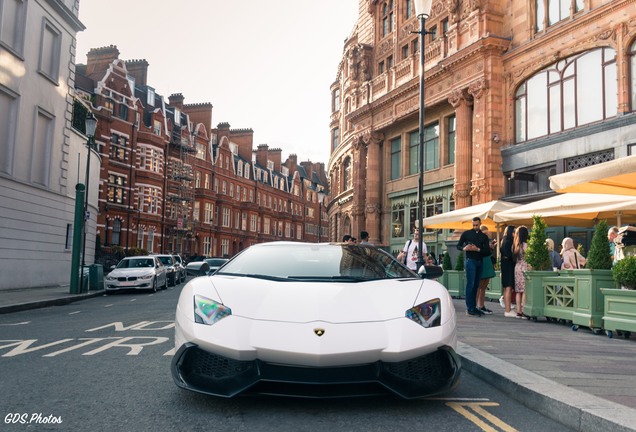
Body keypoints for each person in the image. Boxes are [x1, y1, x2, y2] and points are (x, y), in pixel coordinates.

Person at [456, 217, 491, 316]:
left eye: (477, 225)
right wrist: (464, 248)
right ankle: (470, 308)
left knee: (476, 285)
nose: (475, 226)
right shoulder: (466, 234)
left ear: (480, 224)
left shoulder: (483, 236)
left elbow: (487, 252)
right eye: (473, 225)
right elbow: (458, 245)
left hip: (479, 261)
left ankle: (474, 307)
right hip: (470, 261)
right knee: (470, 284)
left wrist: (478, 249)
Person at [476, 225, 496, 314]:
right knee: (479, 285)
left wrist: (491, 247)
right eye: (485, 233)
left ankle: (481, 305)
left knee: (484, 285)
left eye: (487, 234)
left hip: (487, 261)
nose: (486, 235)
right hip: (481, 262)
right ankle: (475, 306)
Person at [500, 225, 517, 317]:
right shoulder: (509, 242)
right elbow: (510, 255)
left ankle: (507, 309)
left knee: (507, 288)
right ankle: (507, 310)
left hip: (505, 266)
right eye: (514, 232)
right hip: (509, 266)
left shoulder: (503, 240)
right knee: (509, 288)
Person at [513, 226, 530, 319]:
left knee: (518, 291)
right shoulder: (525, 245)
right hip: (524, 267)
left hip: (517, 267)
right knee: (524, 290)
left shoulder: (515, 245)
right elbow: (528, 257)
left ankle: (518, 311)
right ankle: (523, 311)